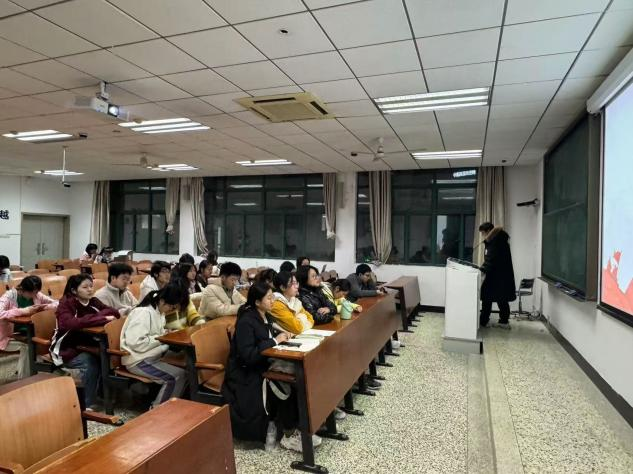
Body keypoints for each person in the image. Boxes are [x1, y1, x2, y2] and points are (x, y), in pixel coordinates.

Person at [221, 282, 315, 452]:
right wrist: (274, 341)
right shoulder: (246, 321)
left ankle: (303, 427)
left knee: (298, 376)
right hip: (245, 372)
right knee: (283, 384)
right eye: (269, 298)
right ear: (257, 302)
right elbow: (248, 355)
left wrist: (283, 336)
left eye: (273, 296)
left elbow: (269, 338)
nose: (273, 301)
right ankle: (289, 433)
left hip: (264, 362)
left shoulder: (265, 316)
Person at [50, 274, 119, 409]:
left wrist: (94, 317)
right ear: (74, 290)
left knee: (107, 356)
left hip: (85, 344)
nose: (90, 290)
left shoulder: (93, 301)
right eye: (85, 287)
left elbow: (114, 312)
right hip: (65, 348)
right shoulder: (66, 304)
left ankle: (103, 394)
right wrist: (102, 318)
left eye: (91, 286)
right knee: (90, 362)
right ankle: (88, 404)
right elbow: (70, 323)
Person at [120, 283, 189, 408]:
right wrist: (161, 338)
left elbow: (154, 333)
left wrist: (165, 334)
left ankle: (169, 406)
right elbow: (136, 343)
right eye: (172, 307)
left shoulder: (158, 312)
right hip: (138, 360)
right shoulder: (144, 312)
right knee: (176, 376)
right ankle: (158, 410)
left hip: (151, 355)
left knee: (186, 365)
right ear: (162, 301)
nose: (172, 311)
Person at [0, 276, 57, 379]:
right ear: (23, 289)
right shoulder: (9, 296)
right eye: (31, 293)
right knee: (28, 346)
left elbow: (56, 303)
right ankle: (25, 379)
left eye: (36, 292)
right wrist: (23, 311)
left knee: (39, 342)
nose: (34, 295)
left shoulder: (37, 295)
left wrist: (45, 307)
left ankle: (36, 374)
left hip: (29, 331)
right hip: (7, 335)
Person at [478, 222, 516, 329]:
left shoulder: (495, 242)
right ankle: (504, 321)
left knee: (487, 298)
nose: (482, 235)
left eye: (483, 233)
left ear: (488, 231)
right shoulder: (500, 239)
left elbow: (491, 259)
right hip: (501, 276)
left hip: (495, 276)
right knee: (502, 299)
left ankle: (484, 321)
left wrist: (481, 269)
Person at [164, 265, 203, 330]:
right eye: (190, 271)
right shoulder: (166, 304)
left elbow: (192, 314)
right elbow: (173, 326)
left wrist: (200, 323)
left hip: (186, 330)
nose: (193, 273)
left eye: (194, 270)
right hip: (175, 333)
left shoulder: (186, 297)